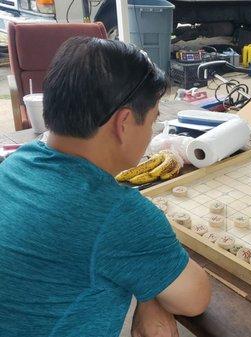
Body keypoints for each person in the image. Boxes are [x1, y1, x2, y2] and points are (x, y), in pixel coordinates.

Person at [0, 37, 210, 337]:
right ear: (123, 124)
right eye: (152, 121)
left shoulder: (15, 163)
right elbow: (194, 299)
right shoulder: (119, 214)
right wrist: (151, 286)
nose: (152, 133)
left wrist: (148, 290)